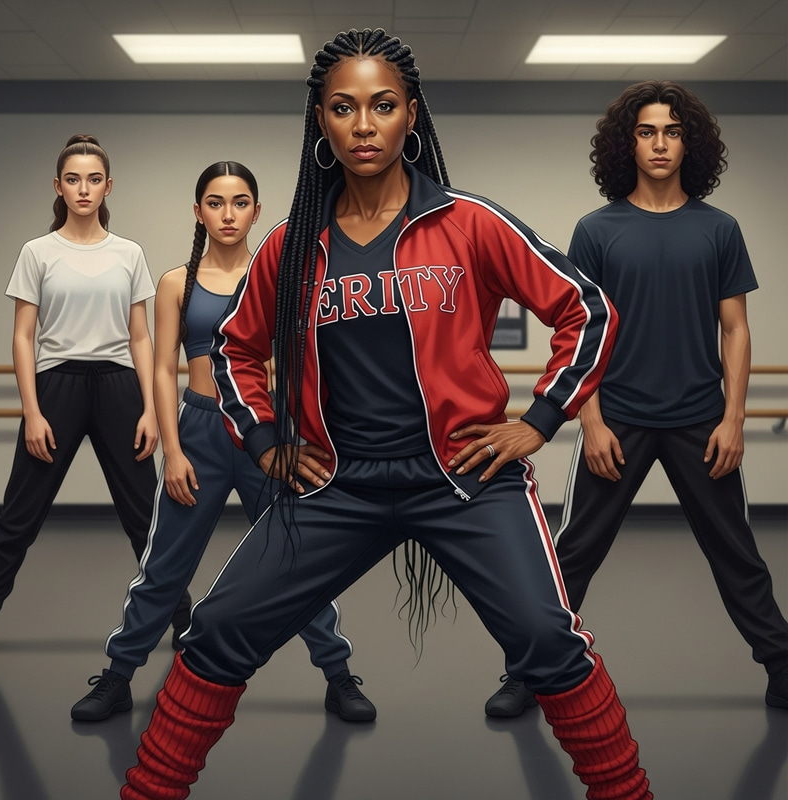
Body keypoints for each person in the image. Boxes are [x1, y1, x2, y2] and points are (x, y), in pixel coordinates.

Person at [122, 29, 652, 800]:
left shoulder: (469, 222)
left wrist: (538, 420)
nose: (364, 125)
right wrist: (267, 442)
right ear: (321, 123)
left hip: (465, 478)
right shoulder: (292, 245)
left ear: (411, 116)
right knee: (217, 631)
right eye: (343, 108)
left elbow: (587, 309)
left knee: (547, 639)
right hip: (337, 486)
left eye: (382, 106)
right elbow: (235, 350)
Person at [484, 80, 788, 718]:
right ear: (628, 143)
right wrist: (589, 420)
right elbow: (580, 328)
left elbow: (735, 328)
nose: (659, 143)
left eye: (672, 131)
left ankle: (782, 665)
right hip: (615, 418)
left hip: (700, 421)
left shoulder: (719, 229)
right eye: (647, 131)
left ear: (690, 143)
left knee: (736, 551)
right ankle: (531, 671)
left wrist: (734, 419)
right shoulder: (597, 231)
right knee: (574, 553)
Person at [70, 161, 374, 723]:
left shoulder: (285, 277)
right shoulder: (175, 283)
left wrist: (305, 436)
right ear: (198, 211)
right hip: (202, 431)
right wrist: (174, 450)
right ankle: (117, 677)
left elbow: (306, 362)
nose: (227, 214)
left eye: (239, 203)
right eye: (215, 202)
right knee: (164, 566)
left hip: (270, 435)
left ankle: (338, 675)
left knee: (297, 558)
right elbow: (163, 369)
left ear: (256, 211)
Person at [0, 135, 190, 652]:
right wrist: (31, 412)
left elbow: (141, 337)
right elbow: (22, 337)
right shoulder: (38, 252)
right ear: (58, 186)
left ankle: (185, 627)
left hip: (120, 386)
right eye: (73, 180)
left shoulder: (128, 254)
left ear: (107, 186)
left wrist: (148, 407)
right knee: (17, 519)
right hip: (56, 387)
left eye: (93, 179)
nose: (83, 189)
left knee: (145, 519)